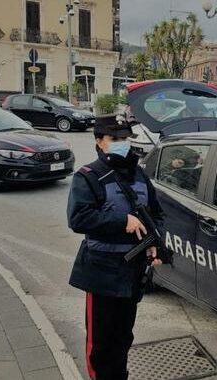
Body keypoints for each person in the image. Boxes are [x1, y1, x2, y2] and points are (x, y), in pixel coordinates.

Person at [67, 119, 164, 380]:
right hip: (102, 274)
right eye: (115, 139)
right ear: (99, 142)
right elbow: (78, 218)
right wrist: (123, 221)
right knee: (100, 343)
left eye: (125, 139)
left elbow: (156, 214)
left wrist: (155, 243)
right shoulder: (88, 176)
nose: (122, 144)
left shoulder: (140, 175)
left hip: (132, 274)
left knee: (123, 337)